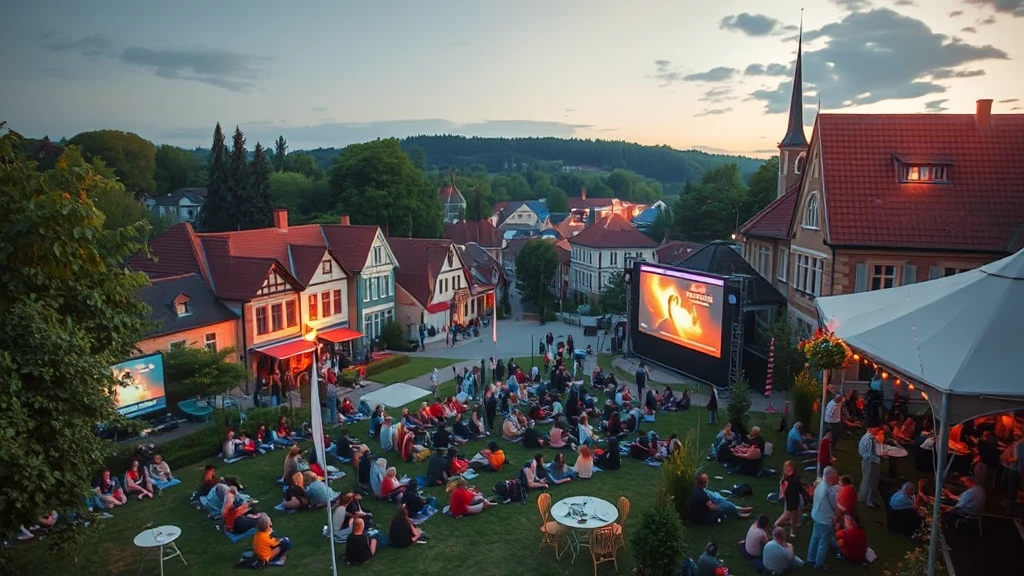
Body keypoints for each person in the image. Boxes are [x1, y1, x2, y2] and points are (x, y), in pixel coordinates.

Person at [806, 466, 840, 570]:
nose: (837, 479)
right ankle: (819, 564)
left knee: (815, 537)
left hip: (816, 515)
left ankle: (810, 559)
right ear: (830, 477)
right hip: (825, 520)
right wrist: (839, 517)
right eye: (835, 477)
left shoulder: (820, 484)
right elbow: (835, 507)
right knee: (823, 542)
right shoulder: (830, 491)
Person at [775, 460, 803, 537]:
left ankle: (792, 531)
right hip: (790, 501)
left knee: (794, 517)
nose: (786, 470)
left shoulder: (794, 479)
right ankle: (776, 527)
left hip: (794, 500)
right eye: (785, 468)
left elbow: (800, 489)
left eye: (789, 468)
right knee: (787, 515)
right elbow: (784, 490)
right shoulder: (786, 479)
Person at [858, 427, 883, 507]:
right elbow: (871, 454)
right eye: (876, 429)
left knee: (872, 480)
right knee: (869, 480)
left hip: (871, 461)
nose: (877, 431)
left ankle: (867, 497)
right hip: (871, 462)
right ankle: (866, 499)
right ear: (870, 428)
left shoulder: (870, 438)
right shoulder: (869, 440)